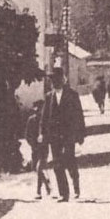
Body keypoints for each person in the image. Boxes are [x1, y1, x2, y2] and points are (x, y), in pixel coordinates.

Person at [38, 68, 85, 202]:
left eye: (55, 79)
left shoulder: (72, 95)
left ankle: (75, 184)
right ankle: (64, 194)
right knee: (57, 164)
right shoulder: (49, 96)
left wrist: (80, 135)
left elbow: (79, 116)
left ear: (62, 79)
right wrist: (41, 133)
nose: (53, 82)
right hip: (54, 137)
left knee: (69, 161)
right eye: (51, 80)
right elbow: (44, 117)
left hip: (68, 135)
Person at [23, 106, 50, 199]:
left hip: (43, 148)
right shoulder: (31, 120)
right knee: (36, 168)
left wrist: (45, 141)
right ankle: (47, 184)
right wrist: (32, 144)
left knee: (39, 168)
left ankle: (39, 191)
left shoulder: (46, 121)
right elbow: (27, 135)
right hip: (34, 149)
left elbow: (49, 134)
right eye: (37, 110)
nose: (39, 112)